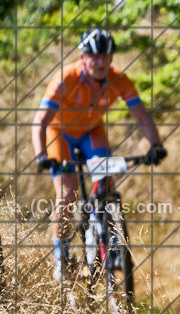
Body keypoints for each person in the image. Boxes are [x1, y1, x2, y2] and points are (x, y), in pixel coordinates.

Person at [32, 28, 167, 281]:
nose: (99, 62)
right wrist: (41, 155)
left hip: (91, 132)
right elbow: (40, 121)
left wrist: (156, 145)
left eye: (105, 56)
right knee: (68, 193)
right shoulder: (65, 79)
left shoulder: (119, 79)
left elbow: (141, 115)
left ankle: (108, 241)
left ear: (111, 58)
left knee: (107, 183)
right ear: (82, 57)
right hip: (59, 133)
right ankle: (61, 259)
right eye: (93, 56)